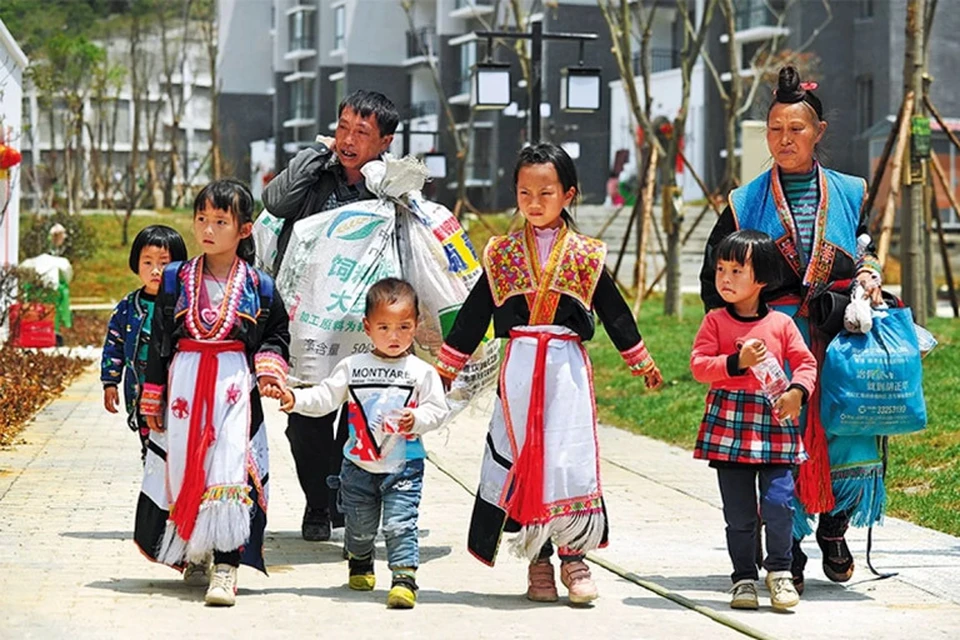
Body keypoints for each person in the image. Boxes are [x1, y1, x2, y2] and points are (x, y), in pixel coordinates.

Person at [435, 143, 664, 605]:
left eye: (546, 192)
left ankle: (574, 557)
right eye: (524, 192)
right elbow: (476, 314)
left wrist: (640, 360)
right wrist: (446, 367)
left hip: (565, 370)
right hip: (519, 366)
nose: (534, 202)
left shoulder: (585, 254)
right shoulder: (500, 254)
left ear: (568, 195)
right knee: (522, 460)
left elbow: (614, 312)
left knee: (567, 459)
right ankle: (537, 560)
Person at [699, 66, 885, 594]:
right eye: (775, 128)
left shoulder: (850, 190)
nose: (785, 139)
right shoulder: (743, 201)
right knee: (783, 435)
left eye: (797, 129)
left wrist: (869, 272)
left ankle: (834, 527)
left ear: (818, 132)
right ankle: (790, 549)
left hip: (838, 336)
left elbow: (866, 245)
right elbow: (717, 276)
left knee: (845, 431)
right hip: (776, 340)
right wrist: (739, 332)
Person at [136, 179, 290, 607]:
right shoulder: (175, 279)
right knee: (187, 465)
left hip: (234, 386)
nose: (207, 228)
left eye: (220, 220)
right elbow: (159, 337)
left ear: (244, 229)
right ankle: (194, 548)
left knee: (230, 469)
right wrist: (153, 395)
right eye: (201, 218)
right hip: (184, 381)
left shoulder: (260, 285)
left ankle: (227, 566)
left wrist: (270, 369)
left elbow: (277, 334)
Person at [263, 89, 399, 542]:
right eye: (342, 127)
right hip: (310, 323)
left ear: (384, 141)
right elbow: (275, 202)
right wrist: (313, 154)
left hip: (368, 325)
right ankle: (317, 503)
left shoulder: (393, 187)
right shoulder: (316, 177)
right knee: (306, 422)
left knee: (359, 415)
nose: (347, 139)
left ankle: (343, 497)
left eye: (361, 132)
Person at [266, 277, 447, 609]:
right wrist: (295, 399)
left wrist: (418, 420)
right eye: (384, 327)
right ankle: (361, 560)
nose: (394, 336)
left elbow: (438, 410)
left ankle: (404, 577)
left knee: (399, 523)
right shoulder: (352, 366)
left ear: (416, 326)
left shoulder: (422, 372)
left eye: (404, 327)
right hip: (358, 467)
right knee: (360, 526)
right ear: (367, 327)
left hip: (404, 468)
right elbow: (325, 397)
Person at [691, 230, 817, 612]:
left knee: (779, 502)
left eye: (736, 270)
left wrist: (797, 392)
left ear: (762, 279)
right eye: (720, 269)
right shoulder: (714, 322)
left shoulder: (781, 324)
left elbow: (807, 362)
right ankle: (743, 577)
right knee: (740, 513)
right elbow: (699, 366)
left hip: (775, 425)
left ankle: (779, 571)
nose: (725, 278)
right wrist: (736, 363)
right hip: (729, 427)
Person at [101, 225, 188, 461]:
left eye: (164, 262)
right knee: (150, 449)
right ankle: (153, 488)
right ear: (136, 263)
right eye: (147, 262)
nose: (155, 270)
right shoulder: (128, 307)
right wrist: (110, 381)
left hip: (179, 392)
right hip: (140, 393)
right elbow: (114, 345)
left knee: (178, 449)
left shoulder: (185, 305)